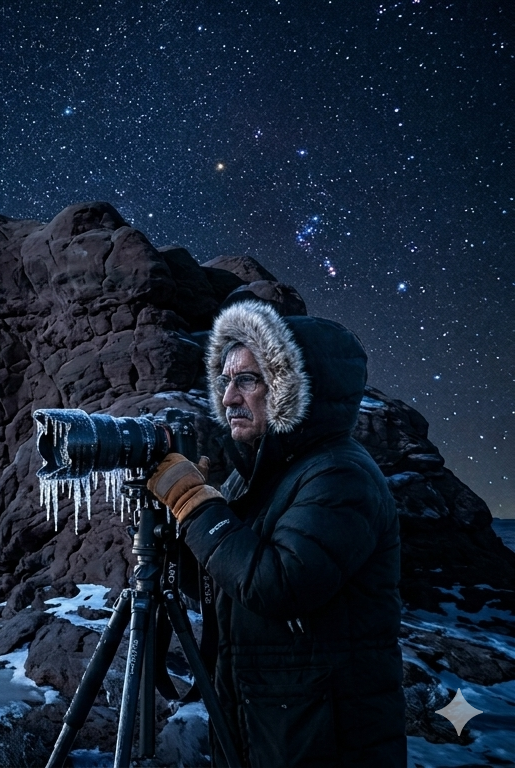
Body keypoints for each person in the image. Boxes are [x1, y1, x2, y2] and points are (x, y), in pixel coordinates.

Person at [146, 299, 405, 767]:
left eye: (247, 379)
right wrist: (174, 536)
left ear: (293, 387)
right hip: (265, 721)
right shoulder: (257, 476)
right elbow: (226, 584)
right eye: (225, 381)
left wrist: (197, 506)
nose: (227, 399)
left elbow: (277, 585)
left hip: (325, 738)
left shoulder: (341, 476)